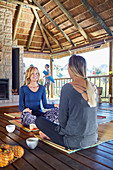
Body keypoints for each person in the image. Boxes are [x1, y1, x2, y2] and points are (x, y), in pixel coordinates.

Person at [35, 55, 98, 150]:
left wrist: (52, 132)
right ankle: (49, 135)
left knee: (39, 121)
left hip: (74, 142)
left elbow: (62, 121)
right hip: (92, 138)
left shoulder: (68, 88)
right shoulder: (93, 87)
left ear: (70, 68)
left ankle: (48, 136)